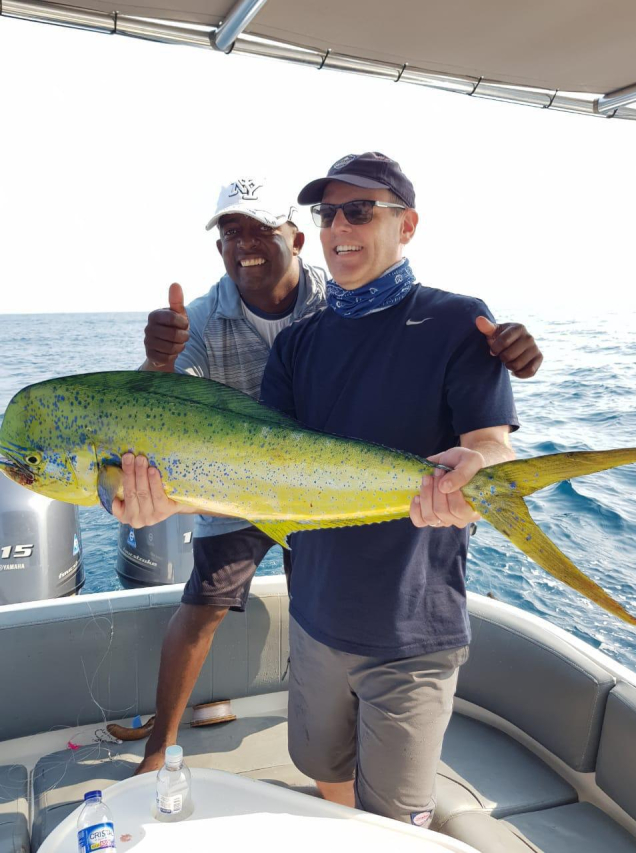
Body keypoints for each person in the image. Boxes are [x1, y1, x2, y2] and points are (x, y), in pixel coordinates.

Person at [115, 172, 542, 778]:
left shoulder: (336, 292)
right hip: (227, 482)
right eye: (231, 233)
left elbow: (404, 343)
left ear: (294, 238)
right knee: (203, 603)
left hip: (318, 485)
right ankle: (160, 746)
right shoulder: (204, 316)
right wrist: (157, 362)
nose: (245, 244)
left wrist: (507, 355)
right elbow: (161, 409)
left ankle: (328, 711)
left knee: (316, 589)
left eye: (261, 229)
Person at [257, 151, 519, 827]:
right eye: (327, 213)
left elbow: (492, 443)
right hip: (314, 616)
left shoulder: (460, 321)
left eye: (359, 211)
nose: (338, 227)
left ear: (407, 225)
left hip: (412, 633)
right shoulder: (295, 344)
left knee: (395, 824)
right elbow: (261, 472)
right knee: (323, 770)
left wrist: (478, 468)